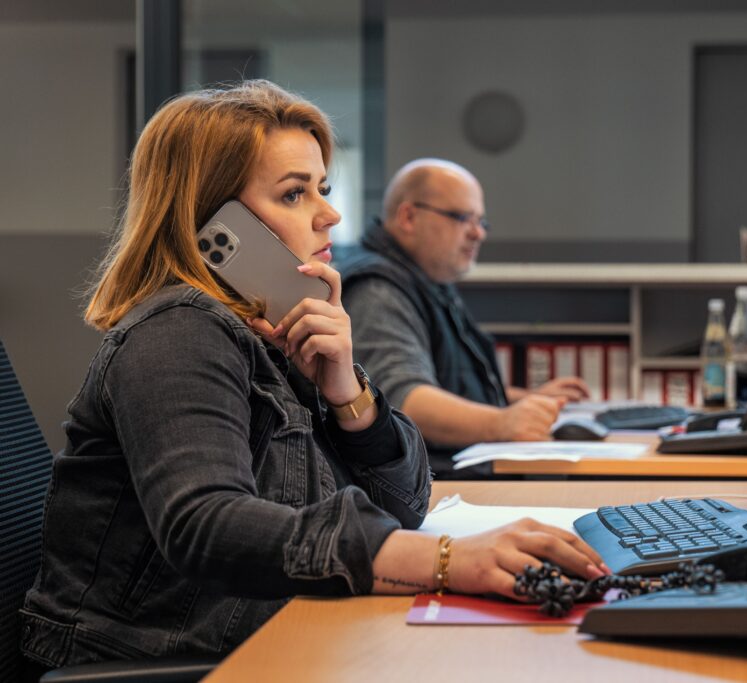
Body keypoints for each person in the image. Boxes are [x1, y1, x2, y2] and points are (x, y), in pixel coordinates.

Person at [20, 81, 608, 670]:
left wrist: (348, 394)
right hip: (147, 661)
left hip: (259, 633)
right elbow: (206, 524)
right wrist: (445, 560)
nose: (331, 214)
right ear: (216, 221)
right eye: (296, 194)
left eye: (321, 188)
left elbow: (406, 504)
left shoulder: (277, 335)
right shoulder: (178, 333)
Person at [339, 159, 590, 476]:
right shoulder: (377, 292)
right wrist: (503, 422)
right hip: (437, 492)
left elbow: (446, 379)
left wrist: (519, 399)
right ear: (408, 216)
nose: (478, 233)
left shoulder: (424, 280)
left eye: (481, 222)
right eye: (462, 218)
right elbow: (403, 401)